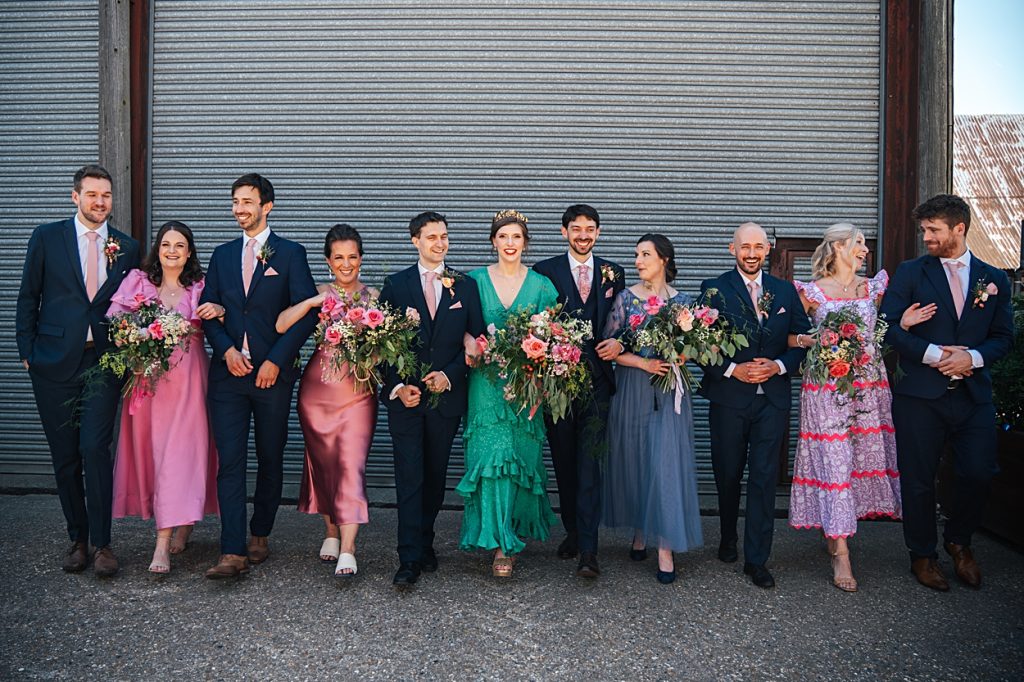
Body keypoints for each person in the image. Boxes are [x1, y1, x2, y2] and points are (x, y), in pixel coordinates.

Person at [880, 194, 1013, 592]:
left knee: (978, 472)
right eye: (924, 230)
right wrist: (937, 354)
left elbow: (1004, 337)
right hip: (919, 396)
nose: (927, 237)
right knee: (918, 479)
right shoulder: (910, 272)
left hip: (972, 396)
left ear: (959, 228)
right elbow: (887, 326)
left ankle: (959, 540)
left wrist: (970, 357)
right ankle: (921, 555)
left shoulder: (995, 279)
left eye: (934, 230)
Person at [16, 165, 141, 577]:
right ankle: (78, 539)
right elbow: (28, 296)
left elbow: (132, 303)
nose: (99, 202)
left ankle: (104, 544)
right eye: (91, 195)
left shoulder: (127, 247)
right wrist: (27, 352)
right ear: (76, 197)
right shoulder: (47, 237)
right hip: (52, 362)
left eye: (106, 195)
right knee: (65, 456)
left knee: (94, 449)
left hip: (103, 362)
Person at [200, 174, 318, 579]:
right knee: (229, 462)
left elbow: (306, 314)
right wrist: (226, 350)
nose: (239, 209)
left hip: (272, 377)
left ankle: (260, 533)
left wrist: (277, 362)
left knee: (270, 456)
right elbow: (207, 309)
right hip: (228, 377)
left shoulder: (290, 254)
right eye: (235, 201)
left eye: (247, 201)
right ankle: (231, 550)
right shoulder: (221, 255)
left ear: (267, 206)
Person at [787, 223, 909, 592]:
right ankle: (841, 552)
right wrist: (811, 339)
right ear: (838, 246)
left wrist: (904, 322)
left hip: (868, 387)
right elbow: (791, 336)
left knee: (857, 460)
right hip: (825, 389)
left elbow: (884, 330)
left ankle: (834, 527)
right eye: (859, 244)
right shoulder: (810, 293)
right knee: (834, 460)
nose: (865, 250)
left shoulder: (873, 288)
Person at [699, 222, 810, 589]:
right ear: (732, 249)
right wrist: (734, 369)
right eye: (744, 246)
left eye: (758, 247)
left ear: (768, 250)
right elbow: (701, 346)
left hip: (772, 402)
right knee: (728, 474)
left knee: (763, 480)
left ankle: (757, 559)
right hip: (729, 400)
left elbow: (799, 343)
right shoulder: (713, 290)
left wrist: (778, 366)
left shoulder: (784, 291)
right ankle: (728, 534)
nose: (751, 253)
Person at [108, 221, 221, 574]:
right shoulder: (139, 282)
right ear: (158, 249)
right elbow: (115, 321)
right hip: (150, 382)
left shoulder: (201, 286)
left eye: (180, 245)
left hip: (190, 380)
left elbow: (224, 316)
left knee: (181, 454)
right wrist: (137, 336)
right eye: (166, 244)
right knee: (157, 456)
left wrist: (219, 311)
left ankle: (162, 545)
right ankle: (182, 521)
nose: (172, 251)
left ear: (189, 253)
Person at [379, 211, 484, 587]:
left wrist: (449, 375)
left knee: (435, 477)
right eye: (431, 237)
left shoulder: (464, 286)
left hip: (444, 401)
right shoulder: (395, 285)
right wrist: (397, 387)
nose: (439, 243)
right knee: (409, 478)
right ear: (415, 241)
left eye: (444, 237)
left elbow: (474, 340)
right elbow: (382, 346)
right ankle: (407, 559)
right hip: (405, 400)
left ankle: (425, 541)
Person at [456, 210, 559, 578]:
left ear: (525, 242)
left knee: (519, 460)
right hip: (486, 387)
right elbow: (460, 327)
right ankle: (498, 540)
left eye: (517, 237)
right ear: (493, 241)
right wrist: (470, 340)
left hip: (525, 387)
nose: (510, 243)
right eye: (503, 237)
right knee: (492, 461)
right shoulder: (473, 282)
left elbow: (552, 338)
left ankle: (510, 536)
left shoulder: (543, 286)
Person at [276, 224, 378, 578]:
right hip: (317, 393)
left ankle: (349, 549)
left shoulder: (374, 298)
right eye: (339, 258)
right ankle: (331, 532)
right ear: (328, 261)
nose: (346, 264)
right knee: (322, 463)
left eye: (353, 257)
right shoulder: (318, 293)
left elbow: (385, 350)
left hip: (359, 392)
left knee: (351, 464)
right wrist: (310, 302)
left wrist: (373, 354)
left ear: (361, 258)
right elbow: (280, 325)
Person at [602, 234, 703, 584]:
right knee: (639, 458)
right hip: (633, 388)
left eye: (646, 254)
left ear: (664, 259)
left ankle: (664, 545)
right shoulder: (626, 300)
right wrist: (643, 364)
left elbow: (696, 349)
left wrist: (682, 353)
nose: (638, 261)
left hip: (670, 389)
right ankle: (642, 531)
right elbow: (609, 348)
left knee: (666, 462)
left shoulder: (685, 304)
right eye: (636, 255)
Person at [533, 205, 626, 579]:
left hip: (599, 382)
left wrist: (618, 343)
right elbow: (536, 321)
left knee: (590, 463)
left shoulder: (613, 272)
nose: (583, 235)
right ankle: (572, 530)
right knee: (564, 462)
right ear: (564, 232)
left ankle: (589, 549)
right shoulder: (545, 271)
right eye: (576, 229)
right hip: (558, 382)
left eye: (590, 229)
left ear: (598, 233)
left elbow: (624, 319)